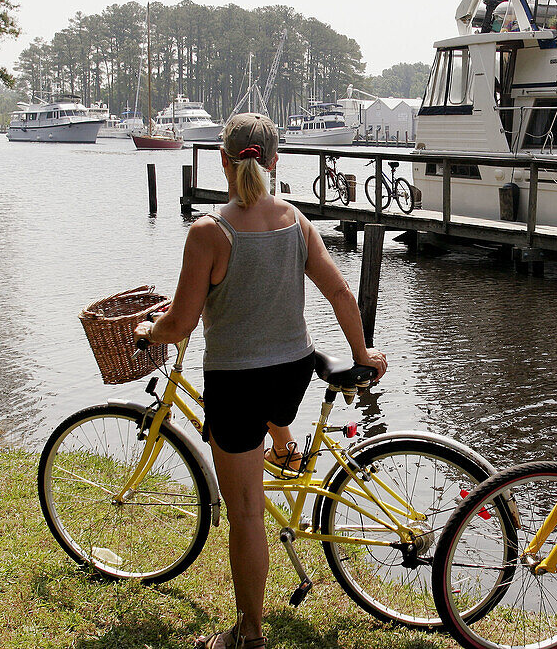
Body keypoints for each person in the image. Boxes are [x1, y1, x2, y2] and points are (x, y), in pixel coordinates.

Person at [134, 113, 387, 649]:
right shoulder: (297, 222)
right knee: (273, 423)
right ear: (275, 161)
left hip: (238, 383)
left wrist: (147, 330)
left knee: (246, 512)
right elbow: (341, 294)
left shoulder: (209, 232)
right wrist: (362, 352)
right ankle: (285, 444)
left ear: (224, 162)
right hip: (292, 374)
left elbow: (180, 323)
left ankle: (249, 635)